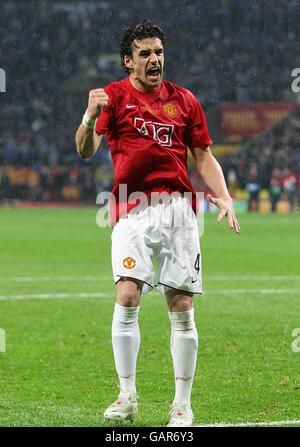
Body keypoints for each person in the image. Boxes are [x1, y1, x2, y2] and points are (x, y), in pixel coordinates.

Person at [75, 21, 240, 427]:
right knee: (127, 295)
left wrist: (223, 195)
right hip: (130, 209)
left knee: (182, 306)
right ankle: (127, 395)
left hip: (179, 210)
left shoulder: (184, 101)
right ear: (128, 61)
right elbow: (85, 149)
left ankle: (182, 405)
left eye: (159, 52)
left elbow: (202, 155)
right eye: (145, 53)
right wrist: (88, 115)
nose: (155, 60)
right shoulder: (112, 98)